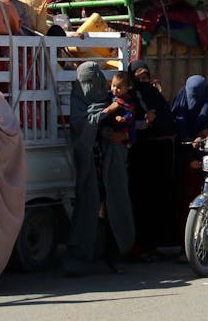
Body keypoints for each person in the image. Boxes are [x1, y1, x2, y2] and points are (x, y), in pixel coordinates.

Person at [63, 61, 135, 276]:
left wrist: (122, 135)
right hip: (90, 169)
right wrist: (104, 113)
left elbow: (127, 124)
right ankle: (80, 260)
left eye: (94, 81)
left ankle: (115, 256)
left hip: (111, 166)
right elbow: (81, 127)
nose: (91, 86)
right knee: (87, 211)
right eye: (86, 82)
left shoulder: (112, 99)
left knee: (115, 209)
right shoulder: (78, 103)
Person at [126, 60, 178, 260]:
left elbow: (164, 120)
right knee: (142, 202)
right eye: (139, 78)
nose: (143, 81)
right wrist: (144, 123)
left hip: (160, 155)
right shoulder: (132, 97)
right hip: (142, 157)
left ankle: (154, 245)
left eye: (146, 77)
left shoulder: (153, 94)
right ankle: (140, 246)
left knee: (159, 200)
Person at [171, 74, 208, 262]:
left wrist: (206, 135)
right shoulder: (180, 101)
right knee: (184, 202)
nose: (192, 98)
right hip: (183, 159)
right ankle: (186, 245)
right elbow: (175, 124)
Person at [108, 71, 136, 147]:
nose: (115, 89)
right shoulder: (110, 95)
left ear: (127, 88)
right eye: (113, 85)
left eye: (119, 87)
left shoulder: (126, 100)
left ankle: (131, 141)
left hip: (124, 124)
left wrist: (124, 118)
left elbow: (130, 112)